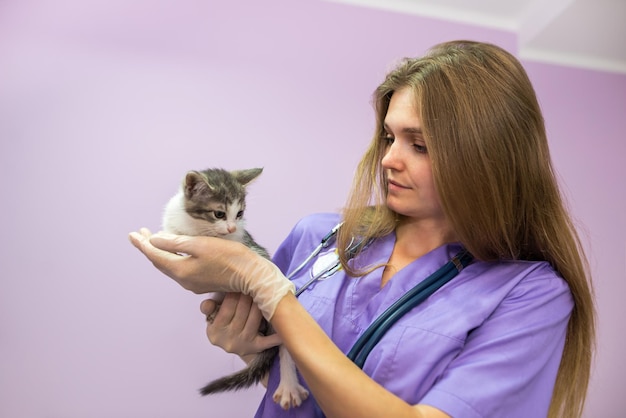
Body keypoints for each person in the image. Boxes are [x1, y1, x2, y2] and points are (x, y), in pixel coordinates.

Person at [129, 40, 596, 418]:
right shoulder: (320, 237)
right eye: (390, 137)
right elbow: (291, 373)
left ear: (487, 158)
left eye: (421, 145)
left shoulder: (529, 295)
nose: (389, 159)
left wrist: (267, 287)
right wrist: (250, 349)